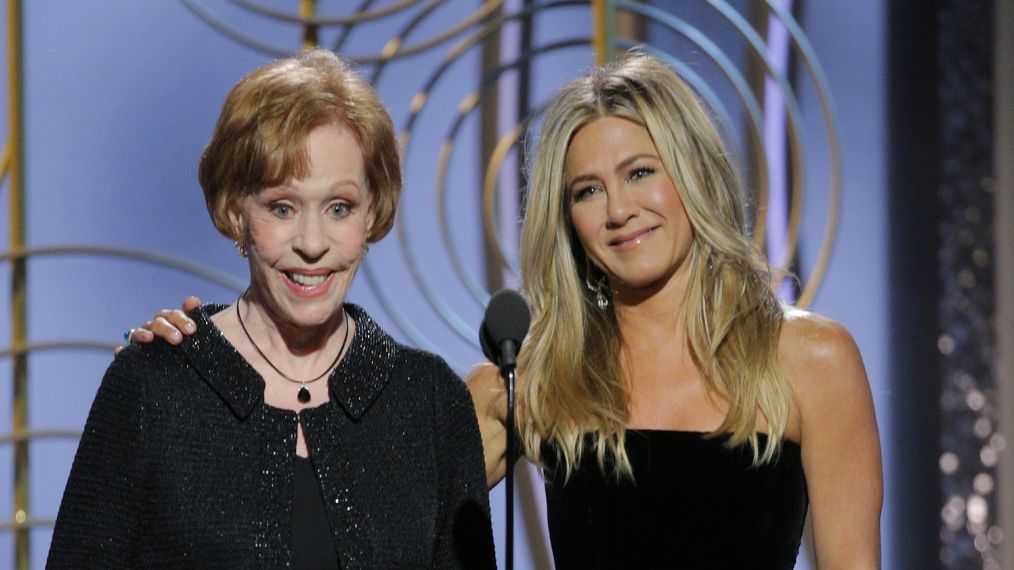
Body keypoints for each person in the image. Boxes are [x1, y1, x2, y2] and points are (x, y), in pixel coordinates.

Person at [134, 51, 882, 568]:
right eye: (587, 191)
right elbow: (338, 500)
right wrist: (198, 376)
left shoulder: (810, 362)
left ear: (694, 177)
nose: (619, 209)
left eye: (641, 173)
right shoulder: (534, 378)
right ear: (569, 221)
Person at [49, 49, 495, 569]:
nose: (312, 242)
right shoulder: (153, 386)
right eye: (283, 207)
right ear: (237, 211)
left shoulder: (430, 402)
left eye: (339, 208)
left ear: (372, 211)